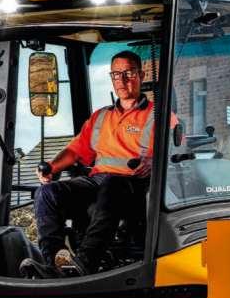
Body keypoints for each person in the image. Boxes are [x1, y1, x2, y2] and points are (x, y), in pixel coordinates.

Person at [34, 50, 155, 275]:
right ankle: (54, 263)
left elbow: (175, 151)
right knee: (47, 193)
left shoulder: (159, 115)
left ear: (141, 74)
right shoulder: (101, 117)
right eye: (116, 74)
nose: (122, 80)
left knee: (112, 185)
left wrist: (153, 161)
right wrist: (52, 167)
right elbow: (75, 150)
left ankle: (85, 262)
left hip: (134, 185)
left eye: (128, 73)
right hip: (99, 181)